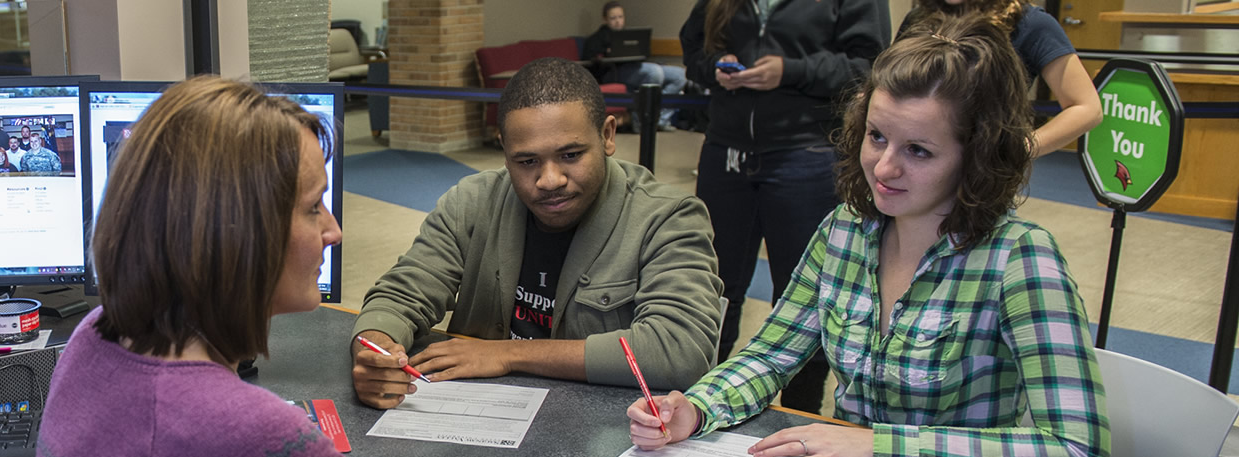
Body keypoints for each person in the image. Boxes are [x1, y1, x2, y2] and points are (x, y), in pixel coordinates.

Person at [34, 74, 675, 457]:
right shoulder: (256, 437)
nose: (335, 232)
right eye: (314, 208)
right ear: (241, 232)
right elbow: (399, 294)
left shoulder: (94, 339)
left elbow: (678, 346)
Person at [625, 18, 1110, 457]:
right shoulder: (846, 230)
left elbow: (1076, 450)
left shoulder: (1020, 258)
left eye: (918, 150)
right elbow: (770, 355)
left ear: (979, 154)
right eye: (877, 136)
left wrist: (878, 446)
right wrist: (696, 407)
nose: (885, 167)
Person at [349, 58, 723, 410]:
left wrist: (505, 354)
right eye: (526, 161)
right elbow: (400, 294)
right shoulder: (471, 201)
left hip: (605, 435)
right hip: (477, 422)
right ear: (505, 150)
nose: (549, 180)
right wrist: (375, 351)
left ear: (608, 136)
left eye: (571, 155)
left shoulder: (669, 217)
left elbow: (680, 350)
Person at [680, 0, 888, 414]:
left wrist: (790, 71)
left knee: (802, 297)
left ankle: (799, 415)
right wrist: (716, 67)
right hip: (726, 152)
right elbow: (693, 50)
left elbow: (867, 66)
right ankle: (699, 404)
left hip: (805, 152)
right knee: (714, 287)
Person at [900, 0, 1102, 158]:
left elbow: (1087, 108)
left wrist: (1020, 150)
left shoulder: (1030, 23)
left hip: (976, 177)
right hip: (909, 159)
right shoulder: (918, 18)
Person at [580, 1, 687, 131]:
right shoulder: (596, 38)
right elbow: (593, 62)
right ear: (605, 19)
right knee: (654, 73)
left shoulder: (630, 36)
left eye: (620, 17)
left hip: (635, 66)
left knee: (680, 75)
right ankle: (639, 121)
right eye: (613, 18)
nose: (618, 21)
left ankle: (661, 120)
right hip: (613, 72)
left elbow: (644, 53)